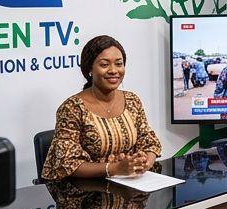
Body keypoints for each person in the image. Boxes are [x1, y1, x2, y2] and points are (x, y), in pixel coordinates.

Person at [41, 35, 161, 181]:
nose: (113, 70)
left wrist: (145, 163)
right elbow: (66, 163)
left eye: (119, 64)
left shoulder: (132, 101)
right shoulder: (72, 108)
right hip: (85, 189)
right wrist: (115, 169)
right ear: (89, 69)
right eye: (104, 65)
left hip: (130, 185)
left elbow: (149, 142)